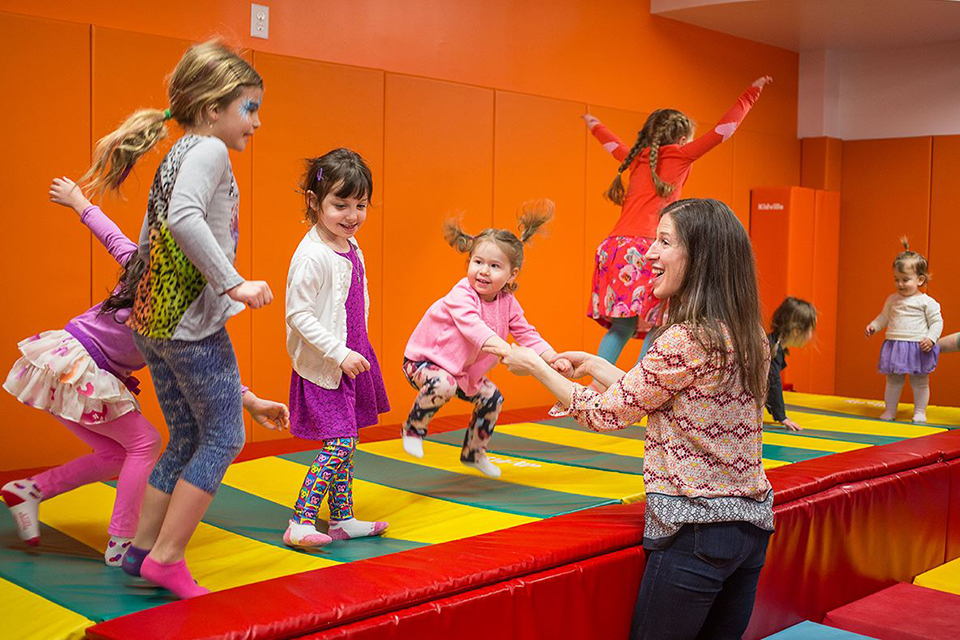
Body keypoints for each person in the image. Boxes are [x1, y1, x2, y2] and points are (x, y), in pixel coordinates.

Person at [502, 198, 773, 639]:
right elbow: (669, 396)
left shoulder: (686, 338)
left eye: (664, 242)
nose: (649, 254)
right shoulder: (748, 334)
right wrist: (595, 364)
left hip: (696, 530)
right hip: (750, 527)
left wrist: (535, 366)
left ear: (700, 256)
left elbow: (606, 414)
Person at [79, 39, 280, 598]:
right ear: (213, 108)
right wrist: (233, 283)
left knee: (187, 435)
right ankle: (167, 558)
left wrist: (137, 300)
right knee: (224, 437)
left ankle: (141, 549)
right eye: (250, 108)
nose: (256, 122)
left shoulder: (180, 152)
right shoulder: (209, 151)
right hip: (189, 325)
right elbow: (185, 219)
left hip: (155, 323)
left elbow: (151, 235)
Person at [585, 77, 772, 367]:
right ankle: (642, 384)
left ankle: (596, 384)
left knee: (622, 327)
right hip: (650, 248)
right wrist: (751, 93)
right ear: (683, 139)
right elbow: (724, 130)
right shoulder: (681, 154)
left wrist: (593, 123)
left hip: (615, 248)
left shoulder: (636, 158)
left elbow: (612, 144)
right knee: (661, 322)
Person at [401, 200, 567, 478]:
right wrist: (509, 352)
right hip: (423, 363)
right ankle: (413, 429)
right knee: (443, 384)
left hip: (462, 372)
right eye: (477, 262)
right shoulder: (461, 294)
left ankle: (474, 453)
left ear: (512, 274)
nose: (484, 271)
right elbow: (475, 329)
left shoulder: (507, 301)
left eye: (494, 266)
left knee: (493, 398)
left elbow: (526, 332)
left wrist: (551, 357)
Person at [283, 149, 390, 548]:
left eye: (360, 205)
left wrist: (356, 348)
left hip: (351, 358)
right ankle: (300, 520)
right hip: (326, 365)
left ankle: (342, 518)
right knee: (340, 442)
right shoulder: (312, 256)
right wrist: (338, 352)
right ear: (314, 202)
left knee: (348, 440)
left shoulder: (351, 245)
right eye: (340, 205)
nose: (352, 215)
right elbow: (299, 314)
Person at [865, 239, 942, 423]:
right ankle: (890, 411)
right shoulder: (892, 300)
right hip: (895, 345)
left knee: (920, 381)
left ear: (920, 280)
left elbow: (937, 322)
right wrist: (874, 325)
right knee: (893, 380)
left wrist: (931, 338)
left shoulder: (926, 302)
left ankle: (920, 411)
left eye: (905, 280)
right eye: (896, 279)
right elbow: (884, 317)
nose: (900, 284)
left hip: (918, 346)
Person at [766, 297, 817, 431]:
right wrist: (782, 417)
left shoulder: (775, 346)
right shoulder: (772, 349)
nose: (811, 335)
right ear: (796, 331)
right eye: (810, 329)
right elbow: (773, 383)